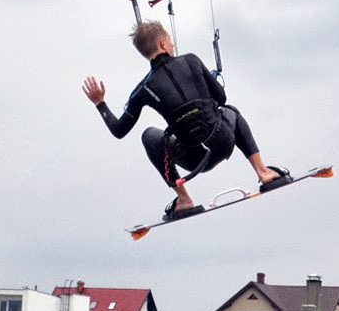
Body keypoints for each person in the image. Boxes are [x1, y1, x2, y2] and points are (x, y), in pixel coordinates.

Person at [82, 21, 291, 220]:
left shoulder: (143, 89)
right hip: (223, 140)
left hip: (193, 158)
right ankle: (263, 172)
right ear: (163, 43)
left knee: (149, 136)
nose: (172, 44)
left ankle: (183, 199)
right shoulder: (191, 60)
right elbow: (221, 98)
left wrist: (100, 103)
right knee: (231, 111)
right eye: (170, 41)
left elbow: (119, 130)